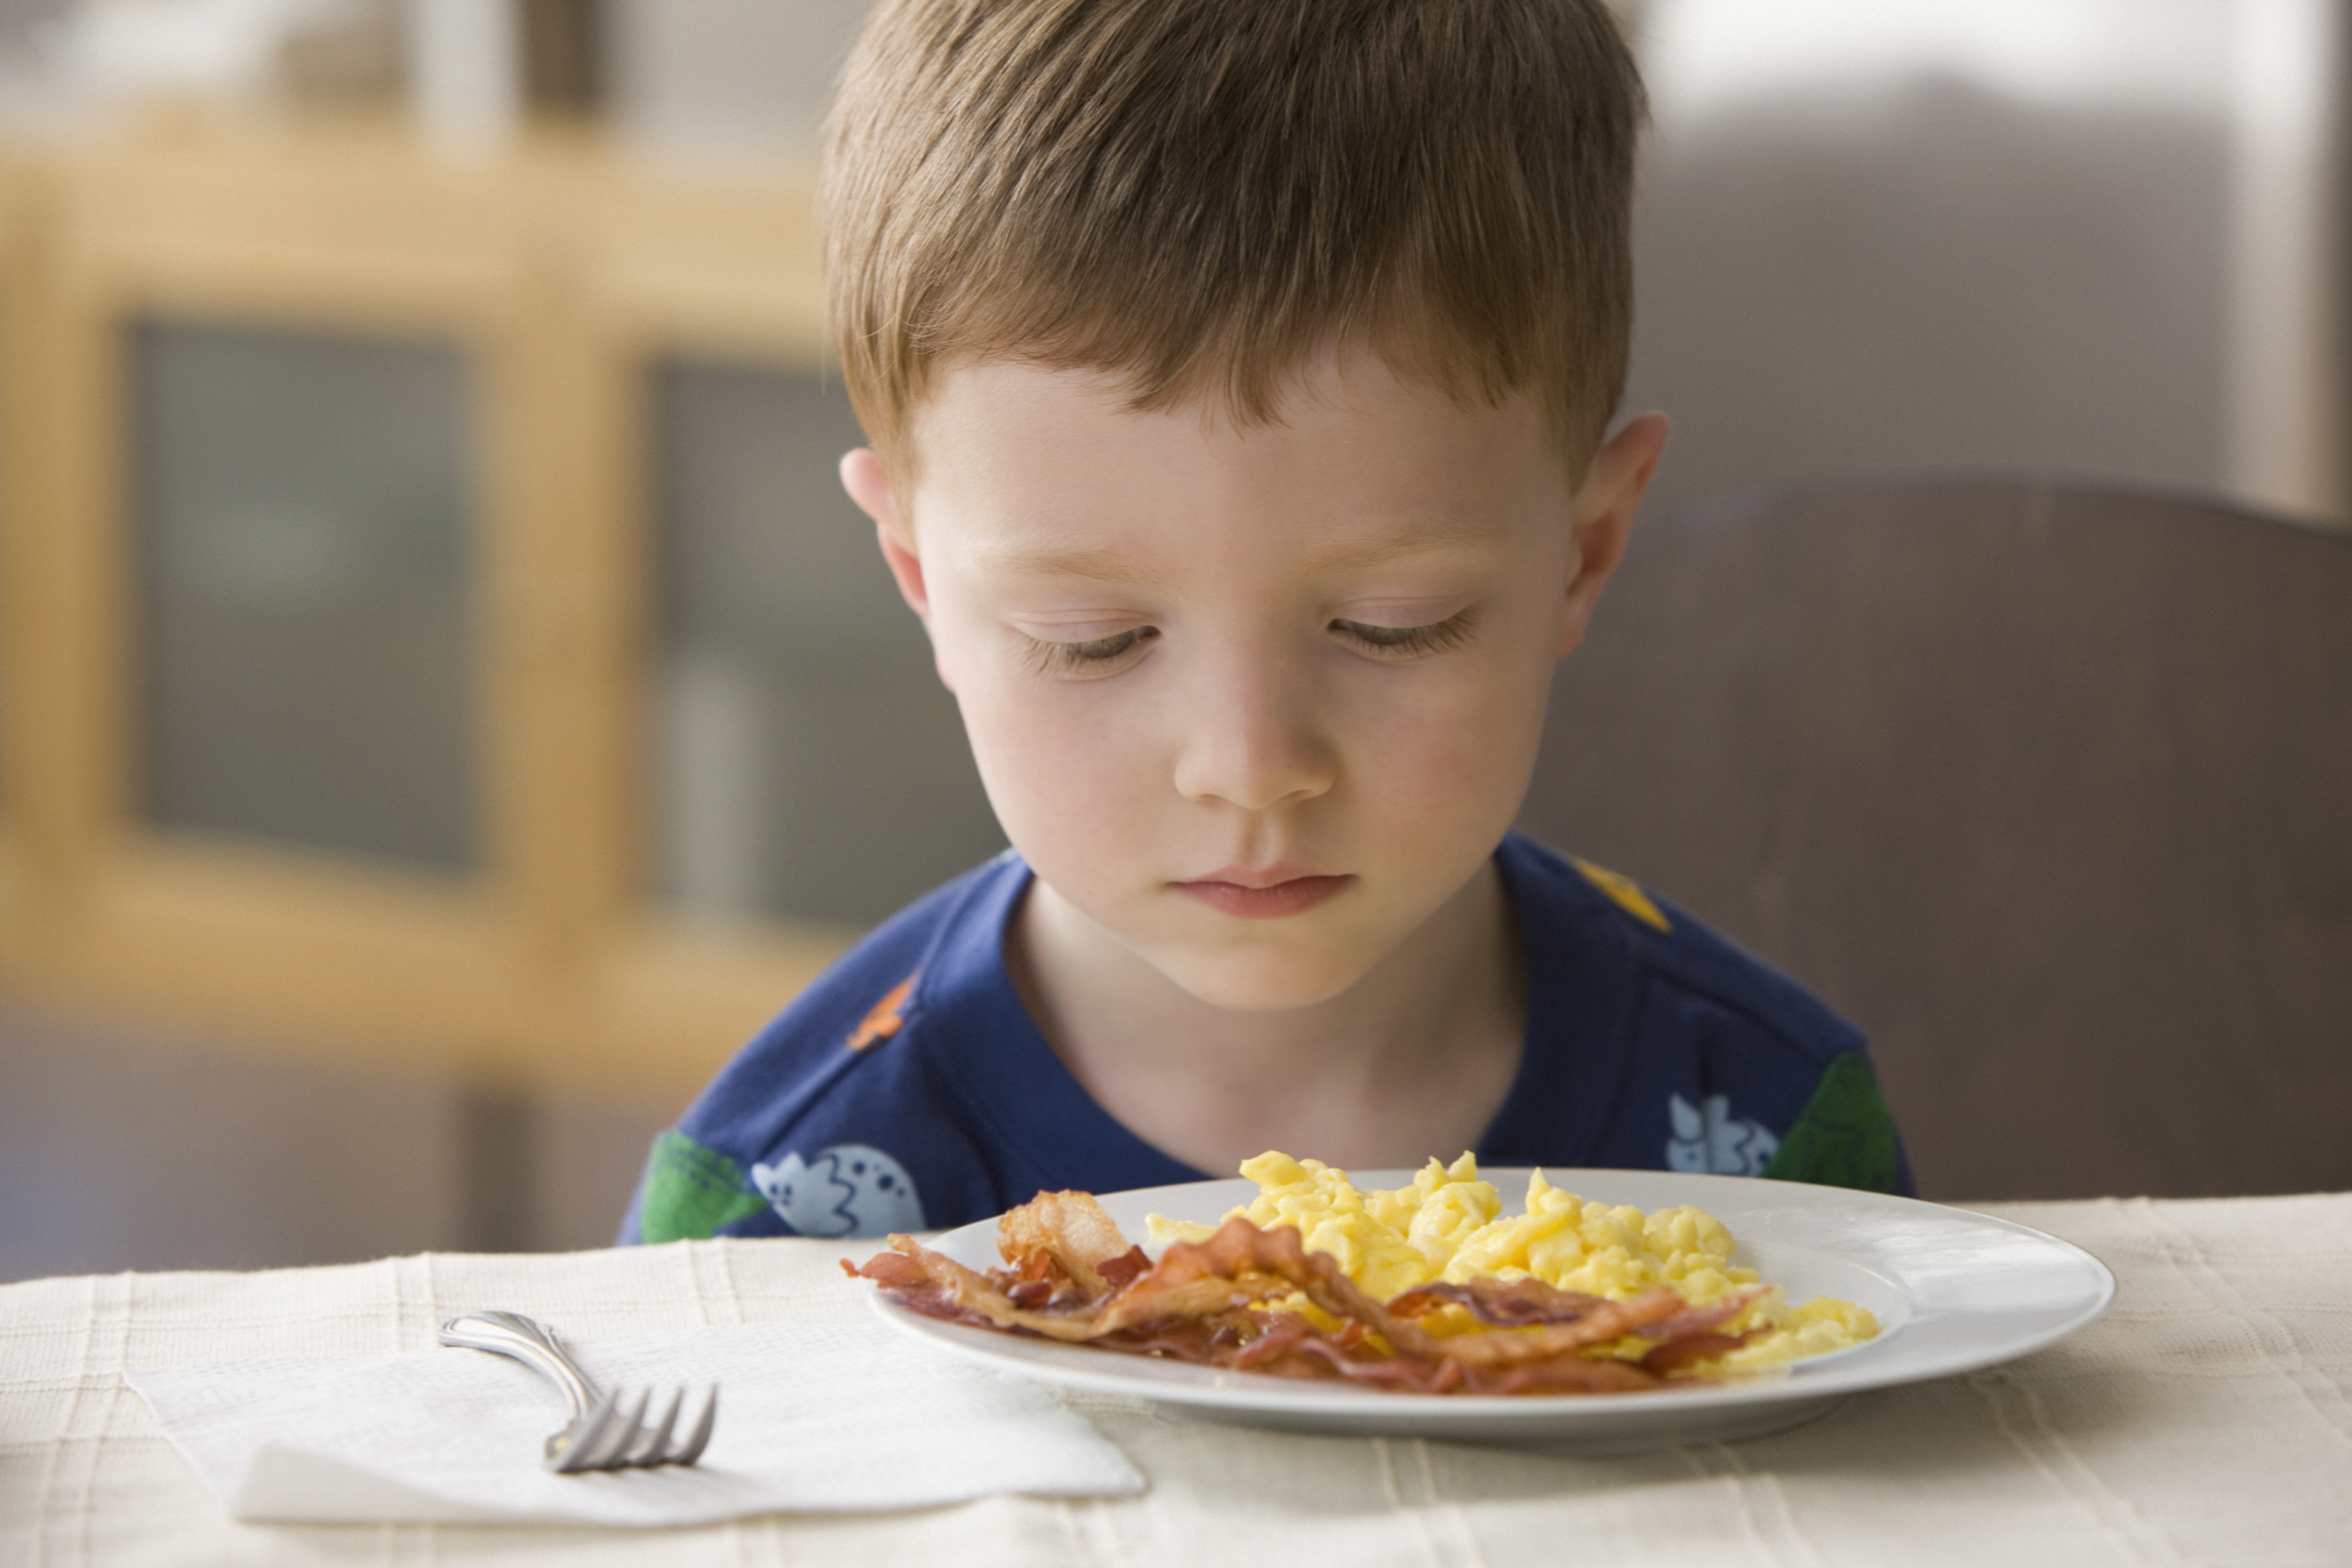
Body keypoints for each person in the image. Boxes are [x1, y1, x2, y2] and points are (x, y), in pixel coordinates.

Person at [621, 0, 1912, 1246]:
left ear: (1584, 552)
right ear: (915, 574)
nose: (1249, 763)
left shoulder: (1777, 1139)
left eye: (1392, 625)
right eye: (1095, 636)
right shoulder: (769, 1216)